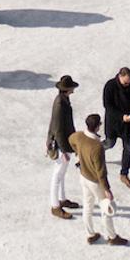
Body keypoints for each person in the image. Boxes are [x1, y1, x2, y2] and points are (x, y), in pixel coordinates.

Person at [68, 111, 126, 245]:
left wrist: (78, 153)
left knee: (88, 206)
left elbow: (70, 139)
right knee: (106, 208)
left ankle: (90, 234)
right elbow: (101, 172)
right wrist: (107, 189)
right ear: (97, 127)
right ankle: (112, 237)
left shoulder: (79, 136)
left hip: (83, 177)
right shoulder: (97, 147)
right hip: (95, 182)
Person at [45, 74, 80, 220]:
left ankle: (62, 199)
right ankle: (55, 206)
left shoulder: (63, 100)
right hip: (61, 145)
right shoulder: (60, 103)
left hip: (64, 143)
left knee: (61, 174)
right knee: (57, 175)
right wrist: (64, 149)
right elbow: (58, 129)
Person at [102, 66, 130, 189]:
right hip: (114, 122)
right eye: (125, 82)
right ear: (120, 76)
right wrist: (121, 116)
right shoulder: (110, 86)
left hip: (128, 123)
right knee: (109, 143)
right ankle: (90, 152)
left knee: (128, 149)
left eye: (129, 82)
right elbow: (108, 106)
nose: (127, 85)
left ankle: (124, 174)